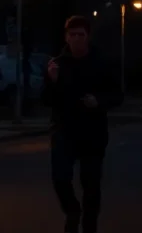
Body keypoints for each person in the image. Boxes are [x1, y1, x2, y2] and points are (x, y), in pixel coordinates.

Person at [43, 15, 123, 233]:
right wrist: (52, 80)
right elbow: (46, 100)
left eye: (81, 35)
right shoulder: (57, 64)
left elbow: (117, 94)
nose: (77, 39)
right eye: (73, 35)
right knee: (60, 177)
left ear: (88, 37)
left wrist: (99, 101)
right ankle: (72, 210)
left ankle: (89, 225)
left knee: (91, 185)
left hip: (92, 132)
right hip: (64, 130)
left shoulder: (101, 62)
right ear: (66, 37)